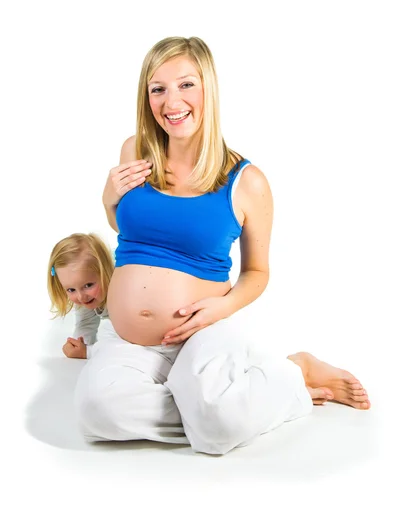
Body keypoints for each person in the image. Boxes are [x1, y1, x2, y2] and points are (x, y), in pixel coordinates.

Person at [73, 36, 370, 455]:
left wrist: (224, 307)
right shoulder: (135, 150)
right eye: (157, 89)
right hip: (128, 339)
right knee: (96, 413)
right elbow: (130, 233)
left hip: (202, 331)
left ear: (209, 88)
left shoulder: (247, 182)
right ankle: (219, 403)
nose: (171, 101)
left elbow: (257, 273)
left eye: (186, 85)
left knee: (219, 429)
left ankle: (293, 374)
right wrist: (108, 198)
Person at [48, 233, 114, 359]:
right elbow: (86, 323)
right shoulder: (86, 295)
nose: (80, 297)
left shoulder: (122, 294)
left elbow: (125, 344)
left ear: (105, 270)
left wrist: (88, 352)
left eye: (88, 285)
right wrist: (79, 345)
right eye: (71, 289)